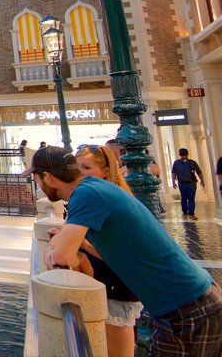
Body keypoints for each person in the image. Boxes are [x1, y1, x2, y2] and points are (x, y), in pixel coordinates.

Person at [32, 146, 222, 356]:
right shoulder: (93, 188)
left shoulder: (85, 195)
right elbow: (116, 253)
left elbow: (61, 256)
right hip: (189, 303)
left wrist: (55, 248)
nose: (38, 185)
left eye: (37, 179)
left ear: (47, 178)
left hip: (187, 309)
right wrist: (82, 246)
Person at [74, 144, 143, 357]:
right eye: (78, 169)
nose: (81, 174)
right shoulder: (110, 195)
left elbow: (117, 253)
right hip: (113, 284)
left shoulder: (100, 199)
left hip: (118, 287)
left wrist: (80, 244)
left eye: (86, 168)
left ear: (105, 171)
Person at [172, 148, 205, 220]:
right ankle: (191, 214)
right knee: (191, 199)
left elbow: (173, 173)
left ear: (179, 154)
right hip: (191, 182)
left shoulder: (176, 163)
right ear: (187, 154)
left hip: (181, 182)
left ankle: (184, 214)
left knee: (183, 198)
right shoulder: (192, 162)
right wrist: (202, 180)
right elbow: (199, 172)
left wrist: (173, 182)